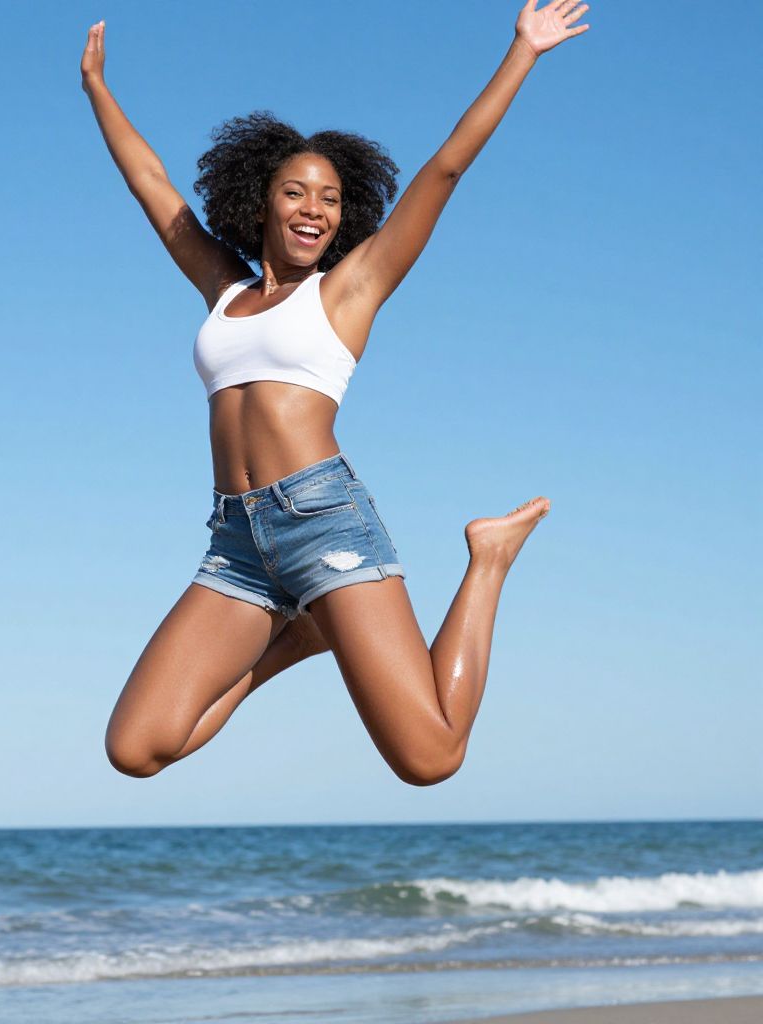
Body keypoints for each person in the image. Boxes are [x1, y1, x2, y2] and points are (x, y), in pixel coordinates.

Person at [82, 1, 589, 785]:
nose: (314, 209)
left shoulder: (349, 289)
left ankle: (489, 558)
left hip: (322, 520)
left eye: (329, 198)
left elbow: (445, 168)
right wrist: (96, 87)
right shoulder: (224, 289)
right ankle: (300, 638)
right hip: (236, 538)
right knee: (137, 748)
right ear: (261, 201)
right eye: (296, 193)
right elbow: (151, 183)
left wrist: (522, 52)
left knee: (431, 759)